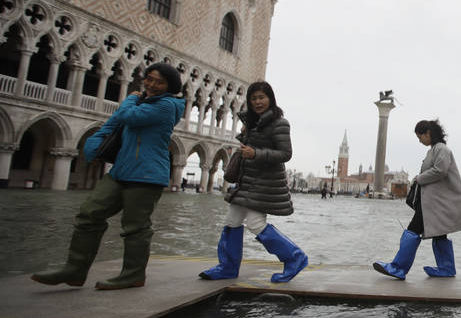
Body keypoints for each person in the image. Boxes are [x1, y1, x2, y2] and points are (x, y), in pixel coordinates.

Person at [31, 63, 186, 290]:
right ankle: (74, 269)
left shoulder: (167, 106)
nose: (152, 85)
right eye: (149, 79)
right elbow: (116, 122)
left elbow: (128, 115)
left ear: (170, 87)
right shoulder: (147, 101)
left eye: (159, 82)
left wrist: (132, 98)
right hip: (121, 171)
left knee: (135, 227)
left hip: (147, 175)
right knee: (89, 214)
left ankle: (133, 275)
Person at [199, 81, 308, 283]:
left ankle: (295, 258)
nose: (258, 102)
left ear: (270, 99)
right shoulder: (252, 122)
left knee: (256, 224)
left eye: (262, 97)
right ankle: (227, 267)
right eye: (254, 98)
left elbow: (286, 153)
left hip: (263, 184)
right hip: (246, 181)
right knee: (232, 221)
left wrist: (256, 153)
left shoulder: (279, 123)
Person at [374, 120, 461, 279]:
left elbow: (440, 170)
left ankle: (398, 268)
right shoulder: (435, 150)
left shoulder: (441, 149)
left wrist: (419, 178)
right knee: (440, 234)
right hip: (437, 202)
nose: (419, 140)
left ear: (428, 133)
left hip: (435, 204)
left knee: (413, 229)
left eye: (420, 137)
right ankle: (447, 269)